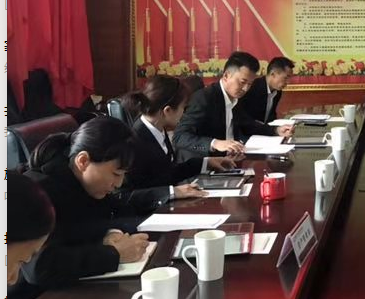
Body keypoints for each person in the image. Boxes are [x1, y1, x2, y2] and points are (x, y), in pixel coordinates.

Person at [11, 117, 149, 299]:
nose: (119, 184)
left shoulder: (86, 184)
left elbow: (108, 215)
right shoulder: (41, 192)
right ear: (83, 161)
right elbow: (39, 267)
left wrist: (110, 233)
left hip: (75, 292)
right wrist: (114, 254)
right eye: (116, 174)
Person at [118, 75, 237, 213]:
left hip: (166, 210)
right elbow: (122, 197)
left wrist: (206, 162)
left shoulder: (158, 129)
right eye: (183, 108)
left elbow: (167, 172)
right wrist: (172, 192)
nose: (184, 114)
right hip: (146, 216)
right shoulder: (133, 142)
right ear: (167, 111)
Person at [173, 52, 294, 160]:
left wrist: (275, 130)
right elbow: (179, 137)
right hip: (203, 163)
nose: (245, 88)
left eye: (250, 84)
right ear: (226, 76)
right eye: (242, 82)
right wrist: (214, 143)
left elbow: (247, 124)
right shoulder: (205, 98)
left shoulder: (235, 98)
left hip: (231, 159)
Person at [239, 56, 294, 124]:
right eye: (286, 78)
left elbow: (271, 116)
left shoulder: (277, 91)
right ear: (272, 74)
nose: (288, 82)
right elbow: (243, 117)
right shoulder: (252, 87)